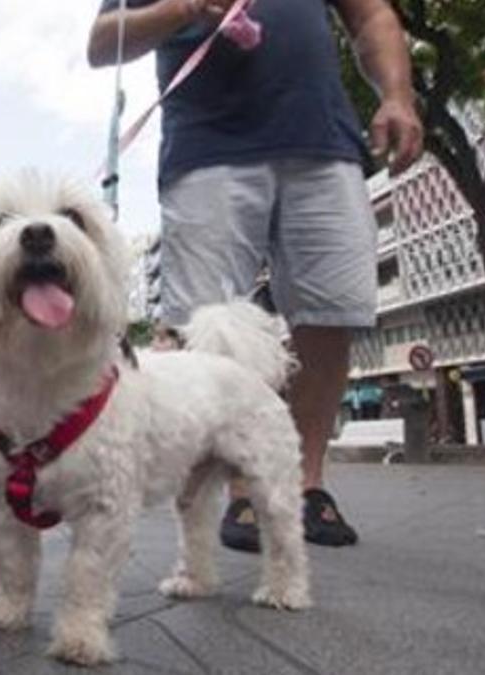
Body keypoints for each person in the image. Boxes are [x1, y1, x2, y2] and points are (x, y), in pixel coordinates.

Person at [87, 0, 422, 551]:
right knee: (210, 330)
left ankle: (306, 483)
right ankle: (244, 487)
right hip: (206, 150)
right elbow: (103, 43)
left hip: (323, 141)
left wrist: (398, 95)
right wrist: (184, 7)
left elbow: (372, 16)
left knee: (328, 317)